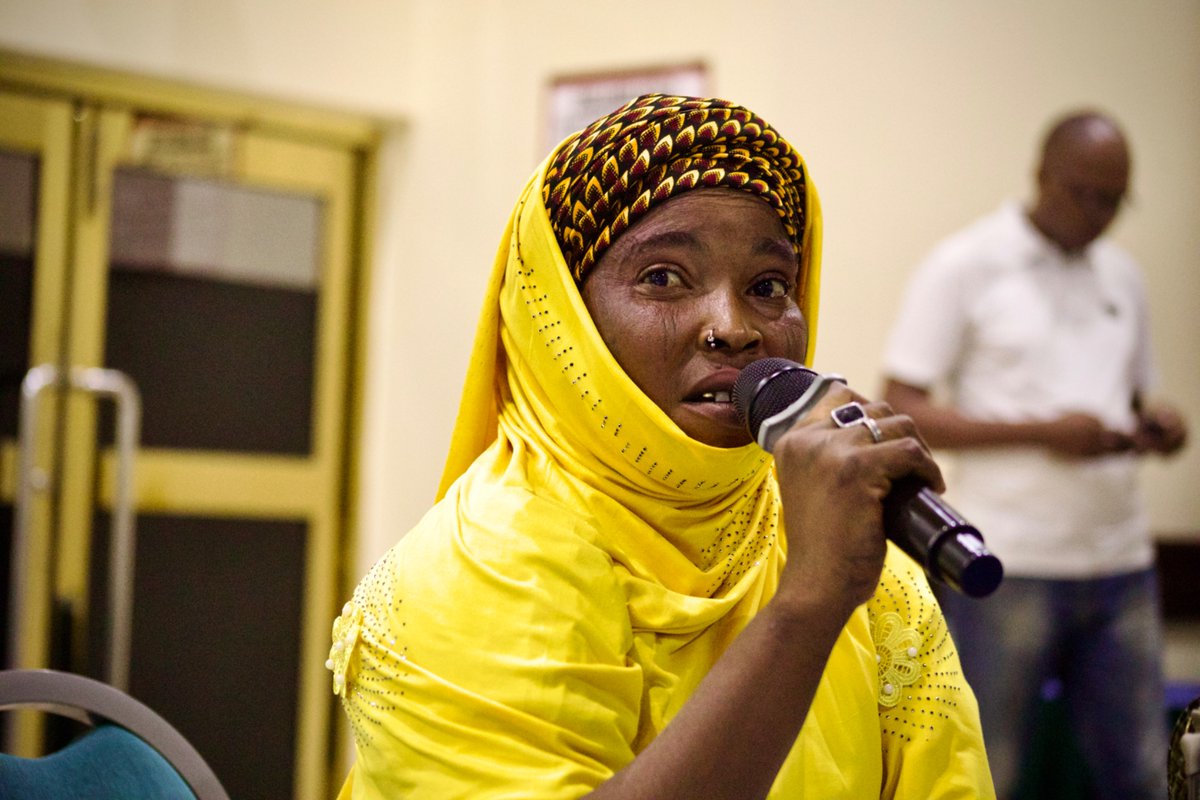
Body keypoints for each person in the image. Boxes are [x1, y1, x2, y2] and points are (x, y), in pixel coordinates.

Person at [328, 94, 995, 798]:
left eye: (769, 286)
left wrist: (825, 583)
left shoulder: (862, 561)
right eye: (663, 278)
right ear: (562, 319)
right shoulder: (470, 568)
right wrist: (805, 609)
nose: (733, 328)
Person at [881, 110, 1188, 799]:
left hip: (1122, 562)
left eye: (1115, 200)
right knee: (991, 772)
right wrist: (1043, 432)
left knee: (1140, 775)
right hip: (1008, 565)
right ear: (1043, 176)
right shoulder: (965, 264)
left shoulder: (1122, 276)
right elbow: (903, 405)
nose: (1100, 214)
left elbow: (1138, 399)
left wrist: (1162, 424)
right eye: (1086, 194)